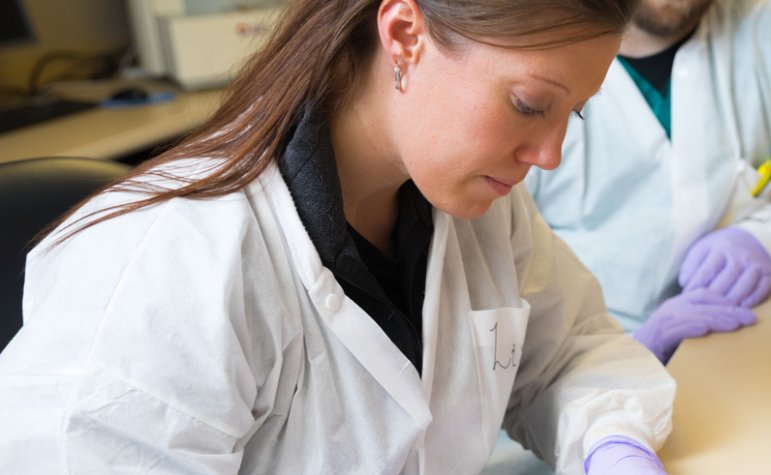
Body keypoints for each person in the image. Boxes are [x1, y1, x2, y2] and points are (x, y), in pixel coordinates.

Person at [0, 0, 676, 473]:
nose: (550, 154)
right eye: (529, 103)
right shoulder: (168, 265)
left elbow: (566, 356)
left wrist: (612, 442)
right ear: (406, 34)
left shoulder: (479, 210)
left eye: (573, 116)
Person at [526, 0, 771, 362]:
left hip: (754, 339)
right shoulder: (531, 58)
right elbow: (497, 291)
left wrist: (766, 235)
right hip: (580, 368)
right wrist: (627, 357)